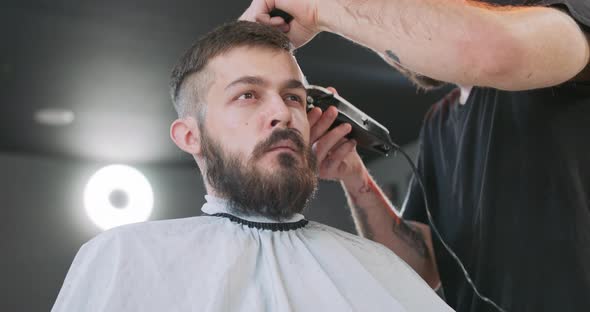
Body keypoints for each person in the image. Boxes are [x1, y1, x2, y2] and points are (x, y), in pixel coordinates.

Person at [51, 21, 453, 312]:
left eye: (294, 98)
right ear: (190, 136)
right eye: (247, 95)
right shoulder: (126, 258)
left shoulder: (376, 267)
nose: (281, 112)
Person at [240, 0, 590, 311]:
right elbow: (422, 267)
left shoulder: (570, 17)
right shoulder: (440, 122)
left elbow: (492, 51)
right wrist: (355, 177)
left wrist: (319, 8)